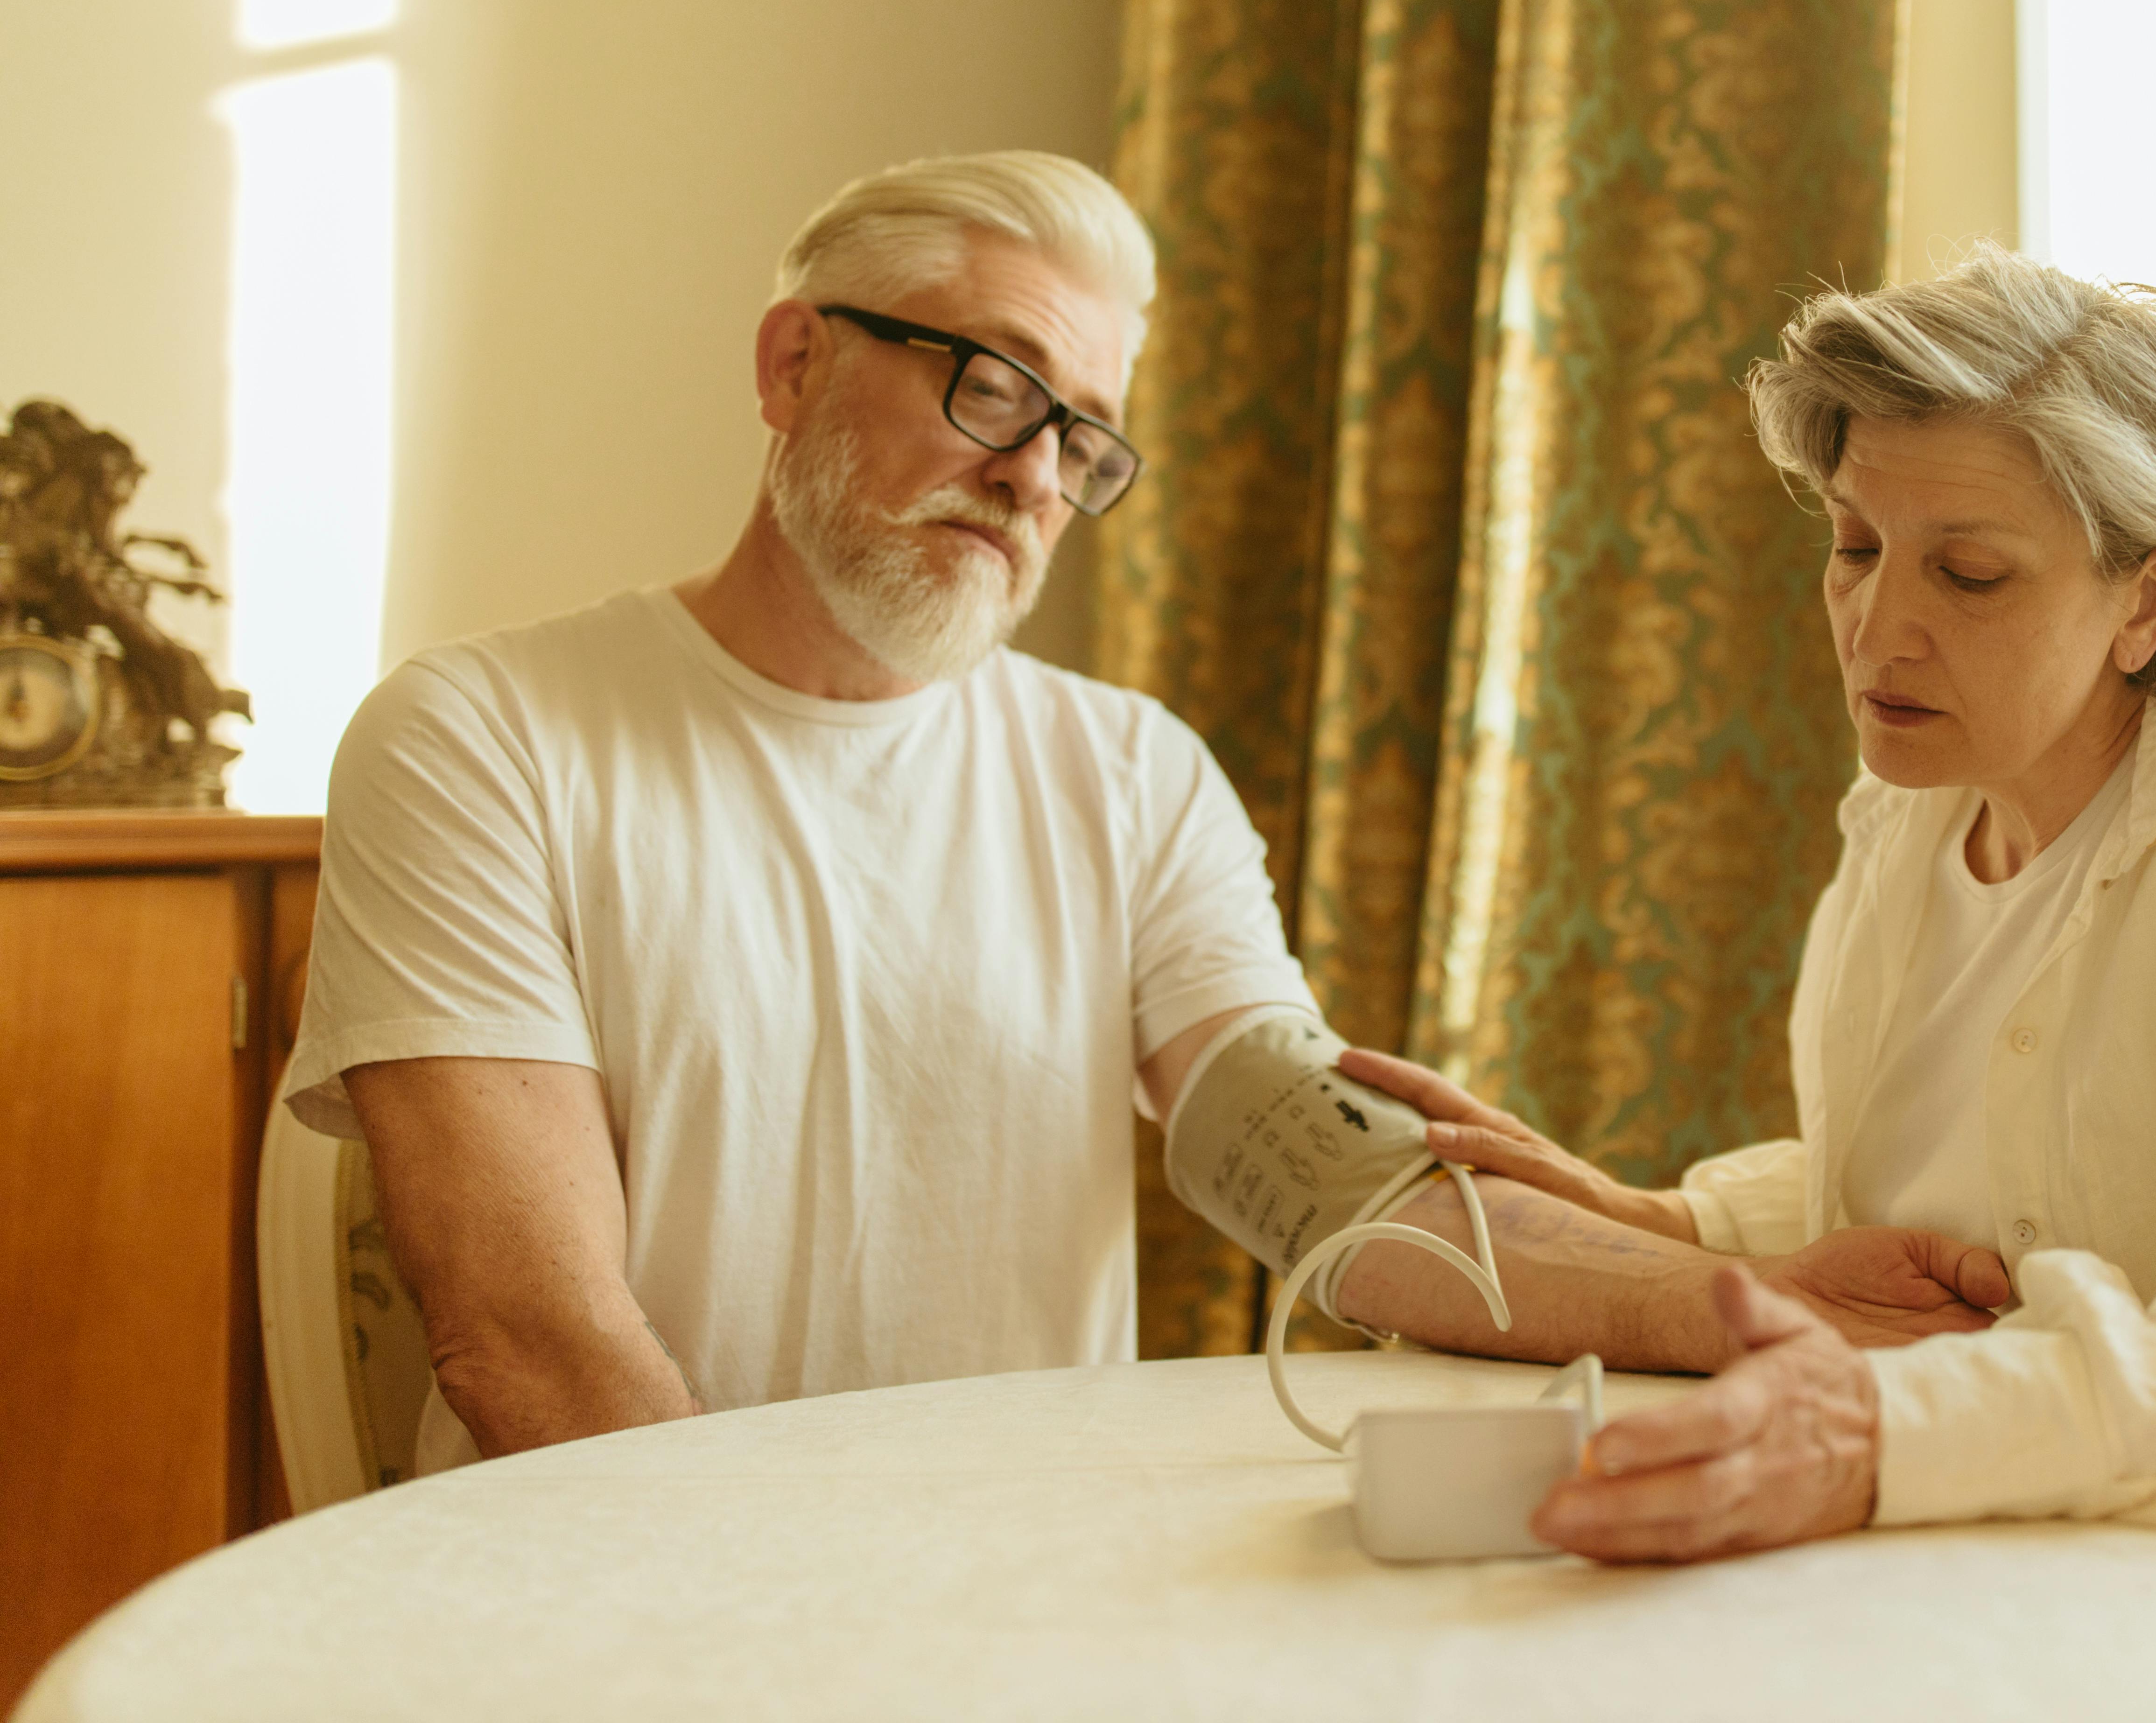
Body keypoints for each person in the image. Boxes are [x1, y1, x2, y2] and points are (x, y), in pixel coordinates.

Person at [280, 152, 2006, 1474]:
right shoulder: (483, 737)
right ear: (795, 362)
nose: (1037, 474)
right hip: (647, 1628)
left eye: (1086, 438)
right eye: (989, 385)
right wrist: (758, 1642)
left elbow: (1322, 1179)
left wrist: (1728, 1303)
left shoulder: (1128, 772)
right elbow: (530, 1338)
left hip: (1024, 1611)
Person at [1343, 244, 2156, 1563]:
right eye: (1854, 545)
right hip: (2023, 1577)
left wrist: (1899, 1430)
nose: (1876, 627)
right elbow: (2010, 1198)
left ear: (2149, 602)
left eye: (1968, 576)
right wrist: (1671, 1224)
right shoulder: (1918, 806)